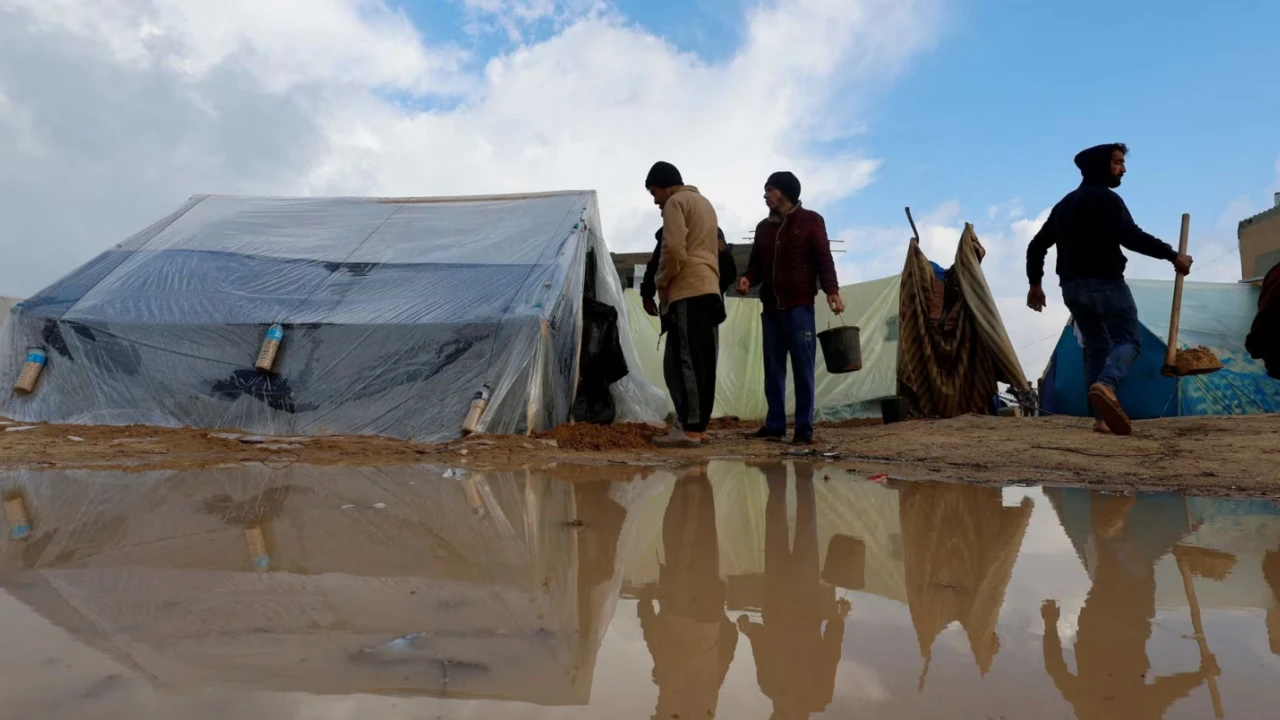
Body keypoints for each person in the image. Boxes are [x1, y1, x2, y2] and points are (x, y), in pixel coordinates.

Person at [1026, 144, 1193, 435]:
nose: (1123, 169)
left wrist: (1035, 285)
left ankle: (1101, 420)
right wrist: (1172, 255)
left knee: (1097, 347)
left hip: (1073, 289)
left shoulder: (1065, 205)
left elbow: (1036, 246)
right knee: (1128, 340)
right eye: (1117, 163)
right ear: (1101, 166)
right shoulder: (1107, 200)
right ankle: (1106, 384)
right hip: (1106, 284)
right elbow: (1131, 237)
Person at [736, 171, 843, 445]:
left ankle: (804, 429)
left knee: (803, 368)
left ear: (783, 192)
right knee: (773, 369)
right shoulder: (763, 228)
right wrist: (748, 278)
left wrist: (832, 291)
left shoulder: (811, 221)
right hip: (771, 307)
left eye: (769, 189)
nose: (765, 195)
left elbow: (823, 259)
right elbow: (756, 265)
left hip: (800, 307)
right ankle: (775, 425)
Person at [645, 161, 724, 447]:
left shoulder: (675, 203)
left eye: (654, 192)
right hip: (708, 288)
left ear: (666, 185)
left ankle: (689, 429)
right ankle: (699, 426)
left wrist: (661, 281)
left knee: (686, 361)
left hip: (687, 290)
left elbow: (674, 249)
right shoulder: (704, 204)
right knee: (703, 361)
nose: (655, 200)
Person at [641, 226, 738, 318]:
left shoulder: (710, 231)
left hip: (699, 309)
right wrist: (647, 296)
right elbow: (654, 266)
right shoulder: (669, 232)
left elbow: (728, 268)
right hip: (682, 308)